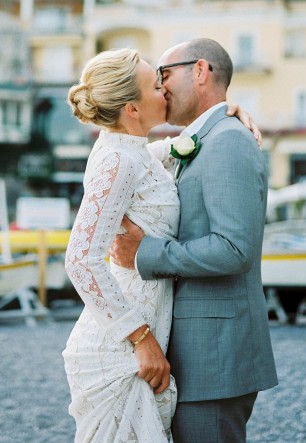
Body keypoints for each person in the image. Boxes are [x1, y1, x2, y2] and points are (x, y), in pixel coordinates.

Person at [62, 47, 259, 442]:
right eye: (156, 85)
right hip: (123, 347)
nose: (164, 91)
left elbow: (178, 149)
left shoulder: (136, 152)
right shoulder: (116, 160)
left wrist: (225, 114)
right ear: (132, 109)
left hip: (146, 337)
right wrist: (140, 338)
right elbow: (80, 260)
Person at [111, 38, 278, 443]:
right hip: (200, 354)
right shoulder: (210, 138)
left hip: (214, 359)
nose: (161, 87)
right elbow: (121, 157)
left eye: (164, 75)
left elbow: (233, 248)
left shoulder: (228, 142)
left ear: (200, 71)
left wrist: (145, 252)